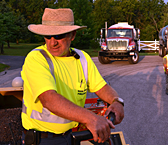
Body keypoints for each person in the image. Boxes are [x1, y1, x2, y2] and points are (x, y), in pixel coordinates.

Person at [21, 8, 124, 145]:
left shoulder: (82, 58)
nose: (53, 42)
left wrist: (116, 101)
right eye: (47, 36)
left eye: (59, 36)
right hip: (42, 139)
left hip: (70, 136)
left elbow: (101, 86)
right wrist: (91, 119)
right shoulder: (36, 58)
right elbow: (49, 100)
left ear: (72, 35)